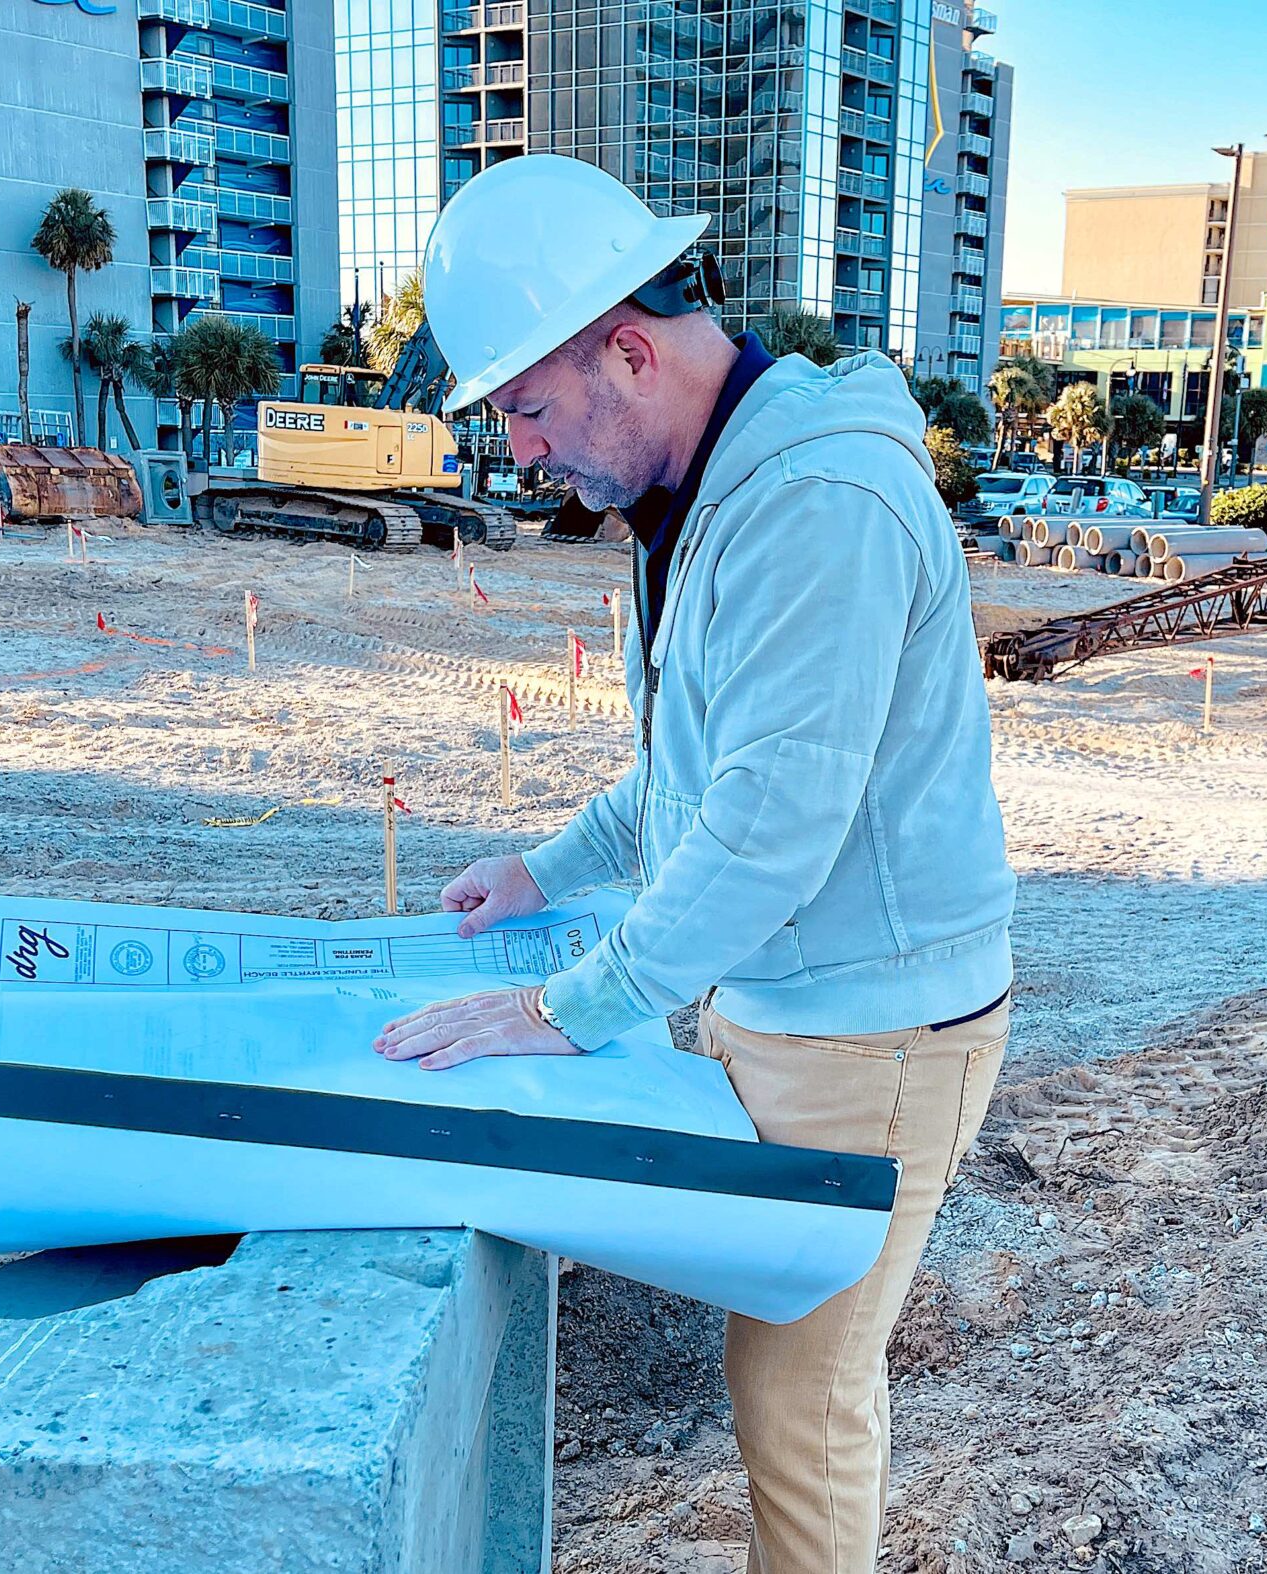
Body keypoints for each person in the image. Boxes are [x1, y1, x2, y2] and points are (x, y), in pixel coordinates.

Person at [372, 154, 1016, 1574]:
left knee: (802, 1390)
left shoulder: (811, 504)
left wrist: (562, 1007)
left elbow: (772, 821)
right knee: (776, 1363)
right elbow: (698, 766)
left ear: (628, 346)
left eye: (528, 409)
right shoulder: (720, 485)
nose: (522, 453)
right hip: (803, 1002)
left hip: (879, 1030)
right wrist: (554, 867)